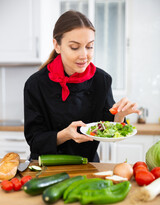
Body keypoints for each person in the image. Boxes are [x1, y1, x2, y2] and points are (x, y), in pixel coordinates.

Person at [24, 10, 140, 162]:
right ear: (57, 45)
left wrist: (119, 115)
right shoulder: (35, 84)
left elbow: (107, 127)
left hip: (88, 165)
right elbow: (35, 141)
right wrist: (65, 134)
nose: (84, 55)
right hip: (46, 167)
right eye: (74, 47)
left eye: (89, 46)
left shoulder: (102, 80)